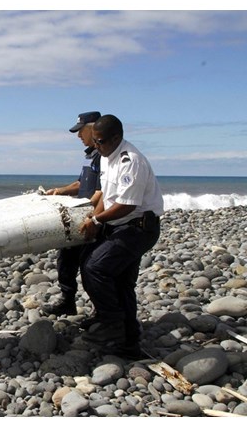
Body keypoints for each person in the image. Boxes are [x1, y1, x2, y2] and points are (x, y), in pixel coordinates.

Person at [78, 114, 164, 358]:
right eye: (94, 141)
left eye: (101, 141)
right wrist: (94, 220)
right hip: (119, 225)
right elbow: (107, 194)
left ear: (117, 138)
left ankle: (111, 324)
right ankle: (129, 343)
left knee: (96, 268)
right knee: (119, 281)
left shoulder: (131, 161)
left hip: (138, 227)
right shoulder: (107, 156)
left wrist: (96, 220)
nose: (96, 146)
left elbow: (127, 204)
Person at [42, 111, 102, 317]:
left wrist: (92, 217)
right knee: (66, 258)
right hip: (80, 215)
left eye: (81, 131)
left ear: (94, 129)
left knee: (90, 266)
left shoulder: (104, 156)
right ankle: (67, 300)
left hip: (94, 218)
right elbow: (80, 184)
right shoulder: (89, 155)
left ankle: (100, 311)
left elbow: (102, 192)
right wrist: (58, 191)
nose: (78, 136)